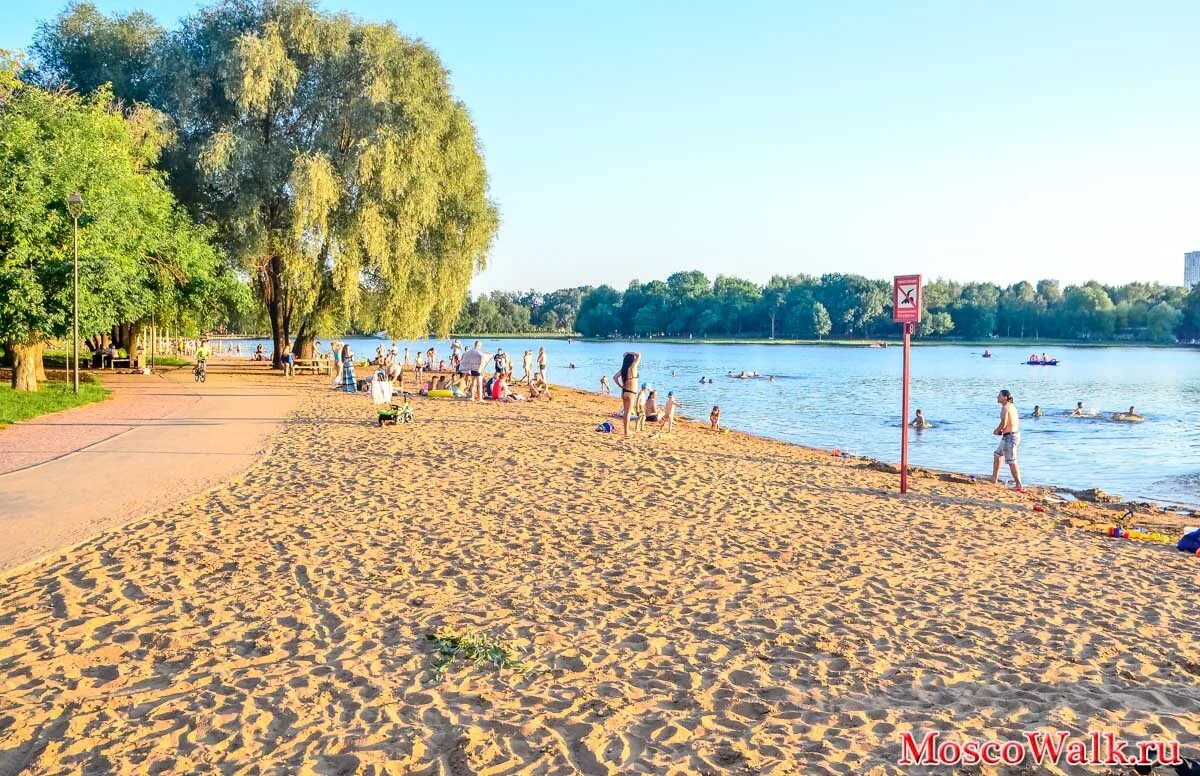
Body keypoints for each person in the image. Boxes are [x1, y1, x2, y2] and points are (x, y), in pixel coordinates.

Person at [990, 388, 1023, 491]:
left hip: (1010, 437)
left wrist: (997, 431)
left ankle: (1019, 485)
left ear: (1005, 397)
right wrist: (1002, 431)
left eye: (999, 395)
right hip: (1009, 436)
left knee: (1012, 461)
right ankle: (994, 478)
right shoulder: (1012, 406)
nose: (997, 397)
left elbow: (1004, 423)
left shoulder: (1005, 407)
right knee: (997, 455)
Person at [613, 352, 641, 437]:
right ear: (632, 360)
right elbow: (639, 354)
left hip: (624, 391)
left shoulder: (624, 369)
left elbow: (615, 377)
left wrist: (620, 385)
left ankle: (626, 430)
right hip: (631, 393)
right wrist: (629, 353)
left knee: (626, 412)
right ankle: (626, 432)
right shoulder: (633, 367)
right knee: (628, 413)